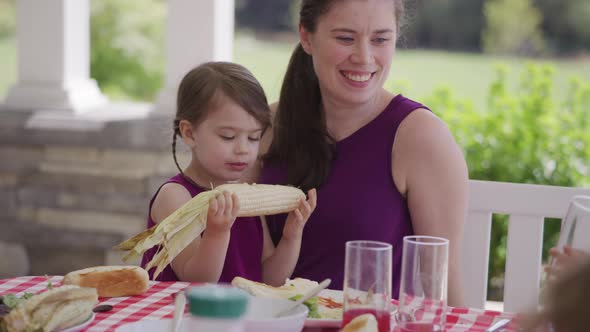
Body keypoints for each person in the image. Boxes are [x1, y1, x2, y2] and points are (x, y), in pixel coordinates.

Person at [253, 0, 469, 306]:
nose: (364, 57)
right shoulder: (264, 129)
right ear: (306, 37)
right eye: (345, 38)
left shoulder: (420, 137)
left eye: (380, 39)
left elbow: (444, 283)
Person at [141, 62, 317, 285]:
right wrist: (217, 233)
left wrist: (291, 238)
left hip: (240, 318)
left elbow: (271, 280)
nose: (243, 149)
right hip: (181, 317)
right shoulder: (175, 197)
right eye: (228, 136)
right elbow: (197, 280)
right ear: (189, 133)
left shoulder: (243, 194)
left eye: (254, 137)